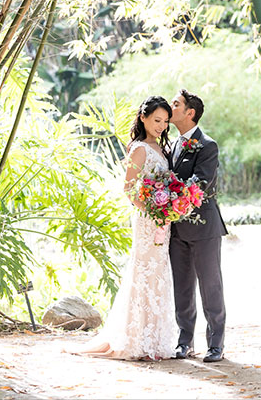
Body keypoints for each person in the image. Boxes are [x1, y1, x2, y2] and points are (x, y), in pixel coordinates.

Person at [67, 95, 178, 360]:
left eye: (165, 121)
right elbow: (129, 190)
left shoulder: (164, 149)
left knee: (159, 275)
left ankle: (155, 340)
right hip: (148, 220)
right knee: (144, 273)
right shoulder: (139, 148)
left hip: (163, 220)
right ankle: (136, 340)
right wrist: (154, 211)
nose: (161, 126)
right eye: (156, 120)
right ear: (143, 117)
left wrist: (170, 208)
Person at [169, 89, 227, 362]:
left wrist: (167, 197)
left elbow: (200, 184)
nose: (171, 107)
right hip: (175, 228)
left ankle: (215, 345)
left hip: (203, 227)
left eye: (176, 104)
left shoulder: (207, 145)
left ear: (190, 113)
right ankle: (185, 342)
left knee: (210, 286)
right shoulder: (173, 144)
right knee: (182, 286)